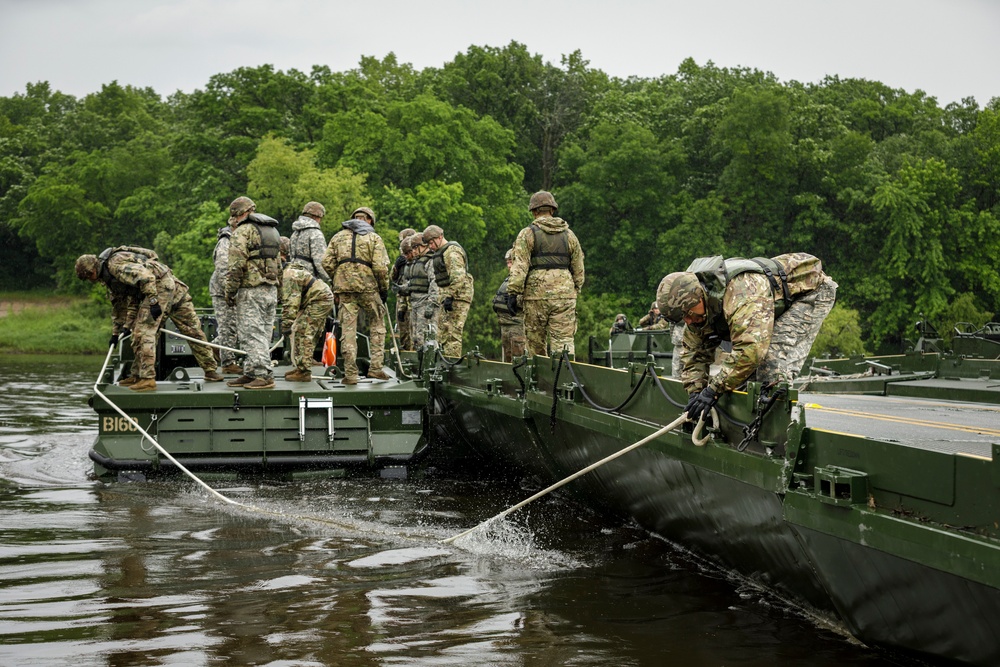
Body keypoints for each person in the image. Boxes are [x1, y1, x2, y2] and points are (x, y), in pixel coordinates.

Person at [657, 253, 838, 422]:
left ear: (699, 297)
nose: (689, 320)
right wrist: (696, 393)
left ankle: (776, 432)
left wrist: (713, 390)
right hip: (770, 302)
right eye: (683, 318)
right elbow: (694, 355)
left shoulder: (741, 292)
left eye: (689, 314)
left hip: (810, 292)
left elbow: (751, 350)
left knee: (771, 363)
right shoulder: (695, 309)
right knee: (742, 381)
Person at [75, 247, 223, 391]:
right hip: (174, 289)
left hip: (159, 289)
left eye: (89, 276)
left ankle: (146, 379)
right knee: (193, 331)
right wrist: (118, 332)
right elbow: (124, 305)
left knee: (143, 333)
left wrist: (153, 302)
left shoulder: (115, 266)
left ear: (92, 270)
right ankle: (211, 371)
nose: (90, 280)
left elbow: (147, 277)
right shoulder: (110, 277)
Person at [506, 191, 585, 358]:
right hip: (564, 295)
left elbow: (519, 266)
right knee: (564, 343)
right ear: (552, 210)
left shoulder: (528, 233)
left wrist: (513, 293)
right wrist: (575, 288)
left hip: (536, 296)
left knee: (536, 346)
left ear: (534, 211)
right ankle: (564, 379)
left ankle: (539, 382)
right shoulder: (569, 235)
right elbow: (579, 268)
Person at [321, 206, 391, 384]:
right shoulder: (374, 238)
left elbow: (326, 262)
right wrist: (384, 289)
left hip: (344, 289)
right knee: (377, 324)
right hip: (368, 287)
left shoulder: (338, 237)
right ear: (369, 221)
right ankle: (376, 368)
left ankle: (350, 374)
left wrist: (337, 279)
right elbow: (380, 268)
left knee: (348, 330)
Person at [223, 196, 282, 390]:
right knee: (263, 333)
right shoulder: (271, 231)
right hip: (271, 289)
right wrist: (279, 290)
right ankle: (250, 372)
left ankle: (263, 374)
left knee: (250, 333)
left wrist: (230, 291)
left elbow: (235, 265)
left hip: (251, 290)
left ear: (238, 214)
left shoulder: (243, 231)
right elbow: (279, 263)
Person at [281, 237, 335, 382]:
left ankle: (304, 371)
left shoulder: (288, 275)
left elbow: (291, 302)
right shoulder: (289, 271)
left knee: (303, 331)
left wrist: (286, 324)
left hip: (319, 299)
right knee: (306, 331)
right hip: (319, 298)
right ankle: (302, 365)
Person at [422, 224, 474, 357]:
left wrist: (451, 296)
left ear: (440, 237)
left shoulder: (452, 252)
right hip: (447, 296)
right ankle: (445, 362)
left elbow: (458, 277)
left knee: (452, 334)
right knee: (442, 333)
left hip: (457, 296)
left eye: (431, 243)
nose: (430, 247)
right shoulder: (442, 252)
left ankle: (451, 366)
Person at [209, 215, 242, 374]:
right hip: (222, 291)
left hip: (232, 289)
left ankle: (216, 348)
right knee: (227, 326)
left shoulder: (237, 240)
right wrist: (230, 292)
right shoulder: (226, 241)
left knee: (234, 325)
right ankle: (227, 362)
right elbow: (223, 270)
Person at [403, 232, 438, 350]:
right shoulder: (415, 262)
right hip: (415, 304)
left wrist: (431, 304)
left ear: (423, 246)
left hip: (425, 303)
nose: (413, 251)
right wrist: (404, 288)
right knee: (416, 338)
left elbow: (434, 283)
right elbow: (414, 282)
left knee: (426, 338)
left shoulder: (430, 261)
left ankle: (428, 365)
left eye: (415, 247)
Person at [492, 248, 526, 361]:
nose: (509, 265)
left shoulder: (524, 279)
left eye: (511, 262)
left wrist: (516, 300)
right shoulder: (509, 279)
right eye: (507, 262)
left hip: (517, 326)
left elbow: (531, 301)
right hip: (505, 325)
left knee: (518, 358)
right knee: (507, 359)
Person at [391, 228, 417, 351]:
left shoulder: (418, 258)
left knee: (414, 332)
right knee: (403, 331)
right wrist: (397, 266)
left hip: (413, 300)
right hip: (401, 299)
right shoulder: (402, 259)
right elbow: (393, 279)